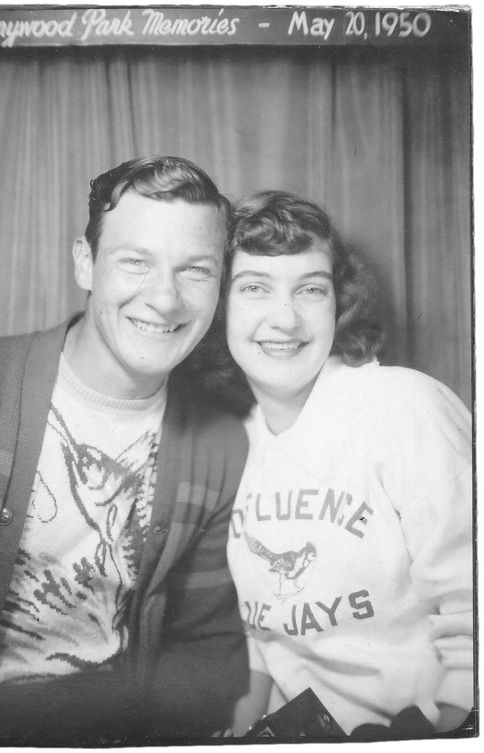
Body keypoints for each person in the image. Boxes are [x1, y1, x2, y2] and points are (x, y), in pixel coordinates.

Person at [0, 156, 249, 745]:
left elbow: (204, 653)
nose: (165, 299)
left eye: (196, 271)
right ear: (86, 262)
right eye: (136, 262)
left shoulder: (220, 444)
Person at [220, 191, 473, 739]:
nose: (284, 319)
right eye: (255, 288)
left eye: (310, 289)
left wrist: (441, 729)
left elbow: (472, 608)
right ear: (220, 307)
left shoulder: (404, 406)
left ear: (341, 301)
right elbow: (263, 649)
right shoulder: (230, 442)